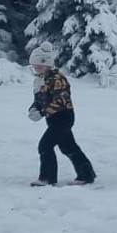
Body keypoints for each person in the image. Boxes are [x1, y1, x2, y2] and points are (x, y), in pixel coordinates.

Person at [27, 44, 95, 187]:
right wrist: (34, 109)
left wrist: (42, 112)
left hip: (63, 117)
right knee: (68, 147)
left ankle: (47, 178)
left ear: (47, 64)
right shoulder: (40, 79)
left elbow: (61, 100)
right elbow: (39, 99)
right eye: (34, 66)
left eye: (39, 66)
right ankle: (86, 175)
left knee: (45, 146)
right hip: (52, 119)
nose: (36, 69)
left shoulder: (57, 78)